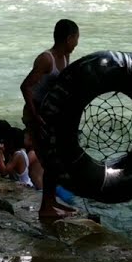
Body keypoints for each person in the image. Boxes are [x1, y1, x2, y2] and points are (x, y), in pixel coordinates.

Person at [20, 18, 80, 222]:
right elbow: (26, 87)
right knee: (50, 160)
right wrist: (35, 116)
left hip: (50, 115)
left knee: (55, 160)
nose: (77, 44)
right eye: (77, 39)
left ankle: (51, 201)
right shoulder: (47, 59)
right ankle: (46, 207)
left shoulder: (65, 58)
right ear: (70, 37)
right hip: (37, 115)